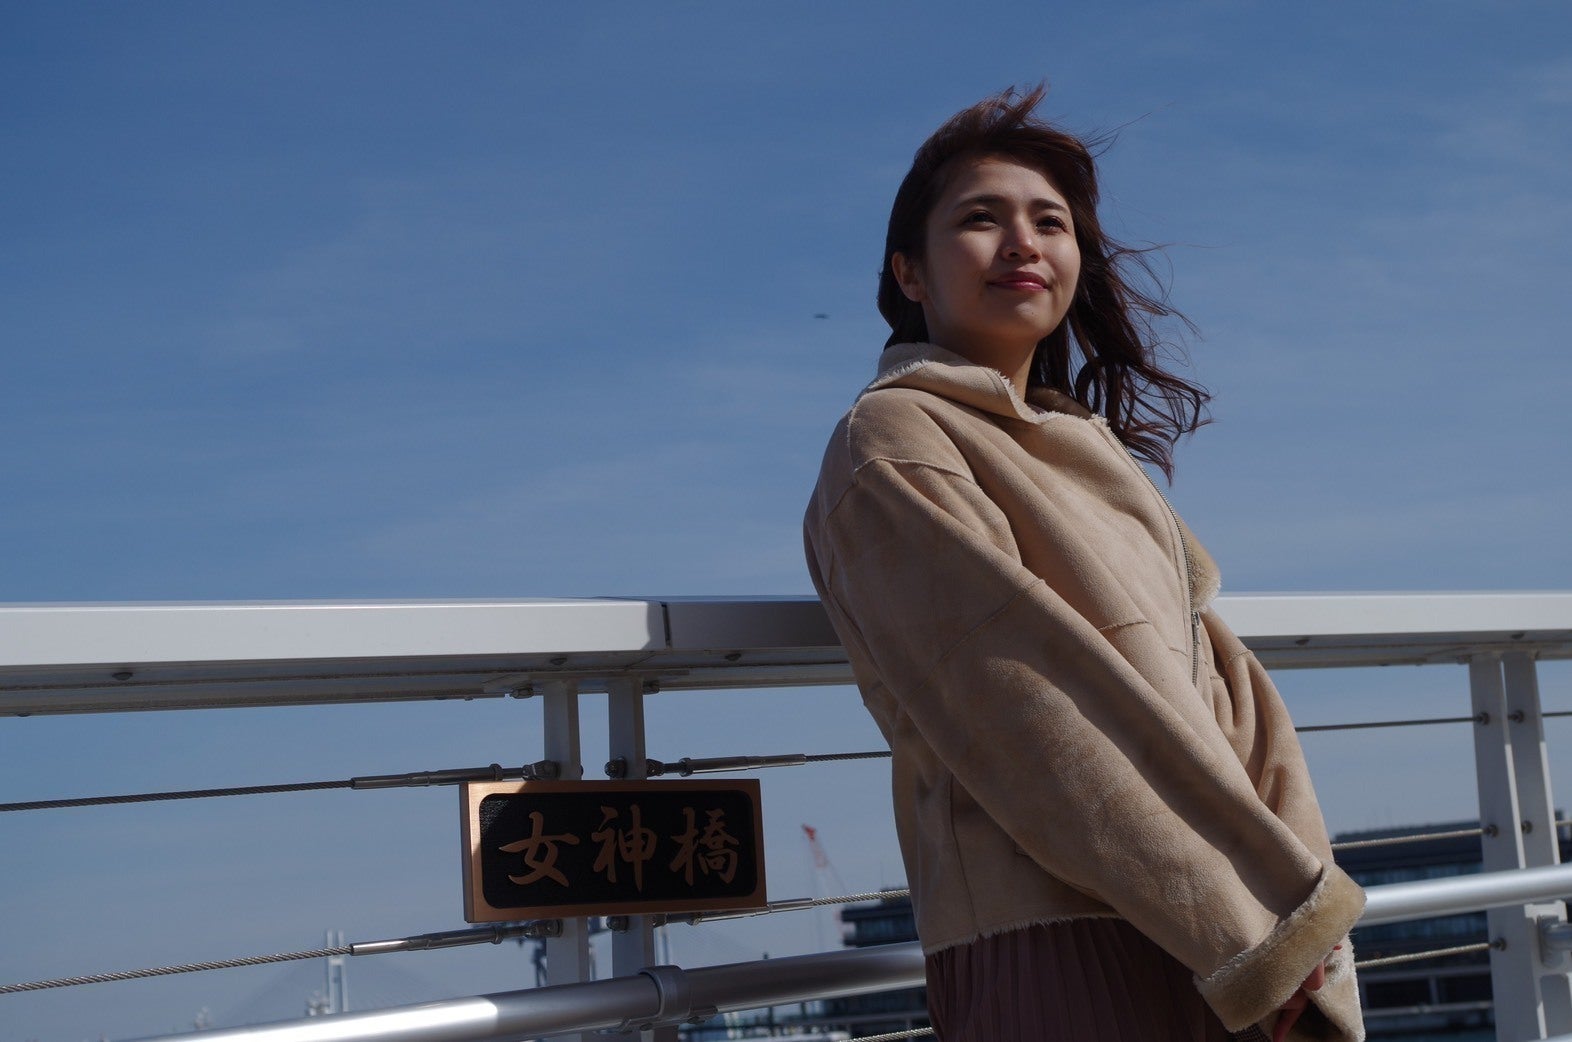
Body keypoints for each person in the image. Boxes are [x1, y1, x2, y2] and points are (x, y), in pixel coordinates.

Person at [802, 86, 1365, 1042]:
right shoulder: (894, 439)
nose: (1022, 243)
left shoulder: (1083, 450)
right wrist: (1253, 930)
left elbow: (1226, 694)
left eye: (1050, 223)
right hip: (1055, 932)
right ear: (909, 272)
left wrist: (1298, 922)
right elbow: (1025, 709)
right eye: (981, 219)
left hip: (1215, 929)